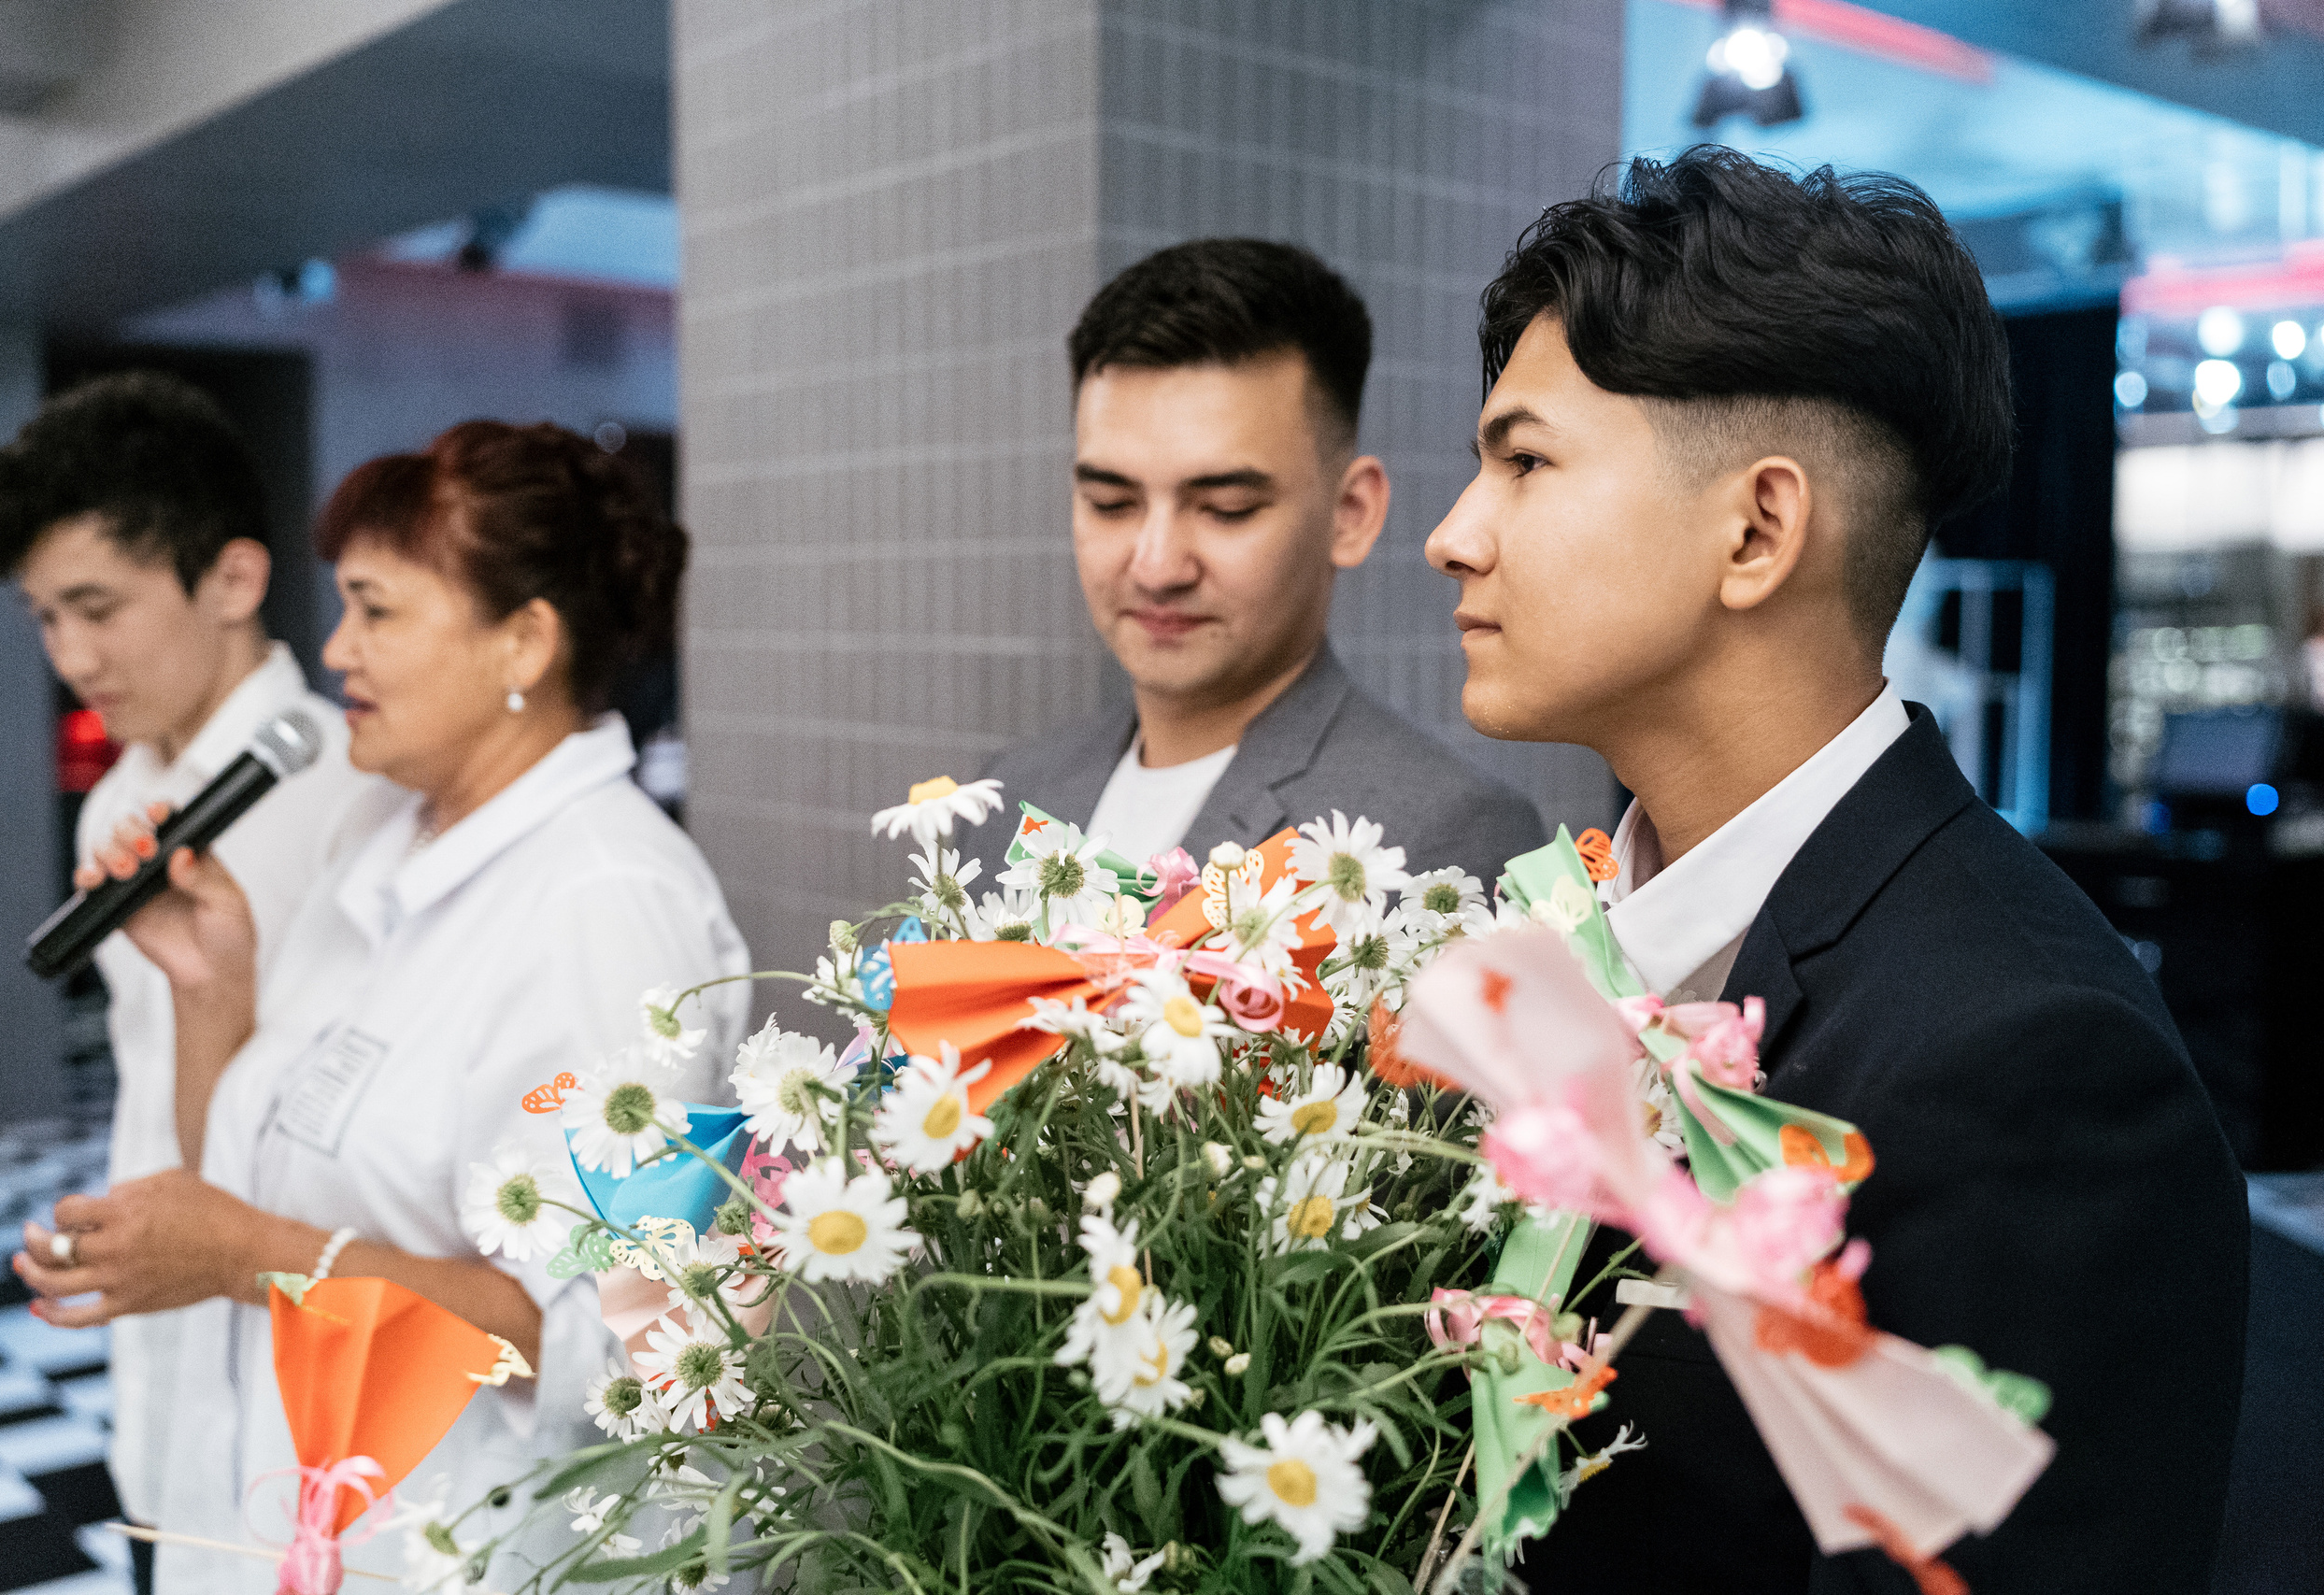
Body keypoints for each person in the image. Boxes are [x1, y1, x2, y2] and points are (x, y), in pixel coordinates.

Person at [1423, 149, 2246, 1591]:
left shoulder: (2028, 1063)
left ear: (1757, 527)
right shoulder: (1574, 940)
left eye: (1526, 459)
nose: (1454, 534)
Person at [12, 420, 753, 1591]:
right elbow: (252, 1176)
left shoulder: (609, 907)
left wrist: (251, 1259)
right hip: (301, 1516)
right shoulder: (381, 831)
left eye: (377, 610)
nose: (336, 649)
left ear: (523, 640)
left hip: (476, 1547)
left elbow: (608, 1340)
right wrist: (214, 992)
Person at [0, 371, 399, 1582]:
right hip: (162, 1322)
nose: (74, 654)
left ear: (234, 579)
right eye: (46, 616)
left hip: (309, 1322)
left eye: (98, 605)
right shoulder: (117, 794)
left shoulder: (347, 802)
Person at [960, 238, 1538, 890]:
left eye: (1226, 508)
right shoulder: (1008, 791)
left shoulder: (1441, 839)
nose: (1156, 567)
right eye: (1111, 502)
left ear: (1350, 514)